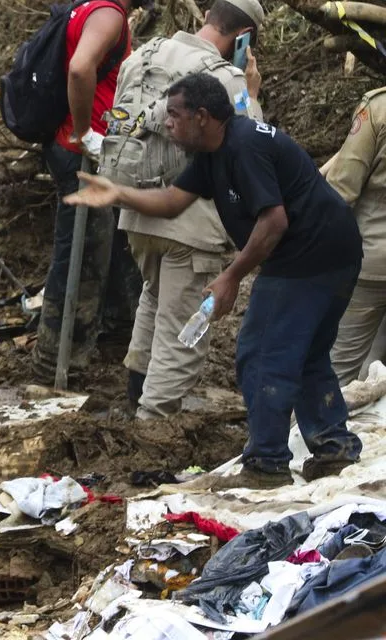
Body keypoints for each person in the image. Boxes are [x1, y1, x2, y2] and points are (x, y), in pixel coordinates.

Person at [66, 73, 363, 488]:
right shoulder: (213, 152)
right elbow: (172, 203)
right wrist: (118, 194)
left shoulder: (244, 147)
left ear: (201, 117)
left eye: (174, 114)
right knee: (307, 354)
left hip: (309, 255)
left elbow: (273, 221)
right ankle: (334, 450)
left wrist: (230, 277)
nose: (166, 123)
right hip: (334, 250)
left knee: (260, 353)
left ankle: (266, 464)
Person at [32, 0, 179, 380]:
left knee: (113, 246)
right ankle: (58, 361)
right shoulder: (109, 15)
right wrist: (83, 134)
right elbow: (79, 69)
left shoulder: (93, 0)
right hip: (81, 153)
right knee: (82, 255)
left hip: (89, 149)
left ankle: (116, 336)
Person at [113, 0, 265, 418]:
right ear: (245, 37)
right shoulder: (227, 79)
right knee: (182, 334)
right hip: (191, 224)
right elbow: (251, 144)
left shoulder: (143, 55)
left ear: (205, 15)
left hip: (137, 210)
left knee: (155, 300)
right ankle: (151, 431)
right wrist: (250, 92)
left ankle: (134, 399)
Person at [325, 87, 386, 386]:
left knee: (337, 369)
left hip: (371, 263)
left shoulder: (377, 108)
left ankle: (304, 432)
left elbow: (341, 191)